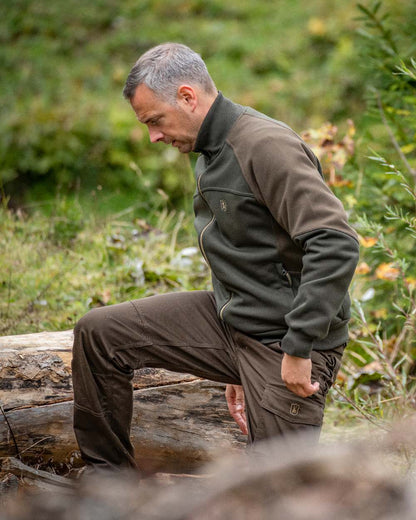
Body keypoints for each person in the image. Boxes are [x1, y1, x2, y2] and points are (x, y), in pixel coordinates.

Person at [71, 42, 359, 473]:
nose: (153, 136)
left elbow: (336, 243)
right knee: (100, 333)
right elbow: (244, 254)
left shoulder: (264, 146)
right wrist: (232, 367)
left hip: (284, 341)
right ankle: (108, 487)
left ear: (188, 97)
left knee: (274, 492)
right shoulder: (207, 146)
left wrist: (299, 348)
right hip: (234, 324)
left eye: (155, 121)